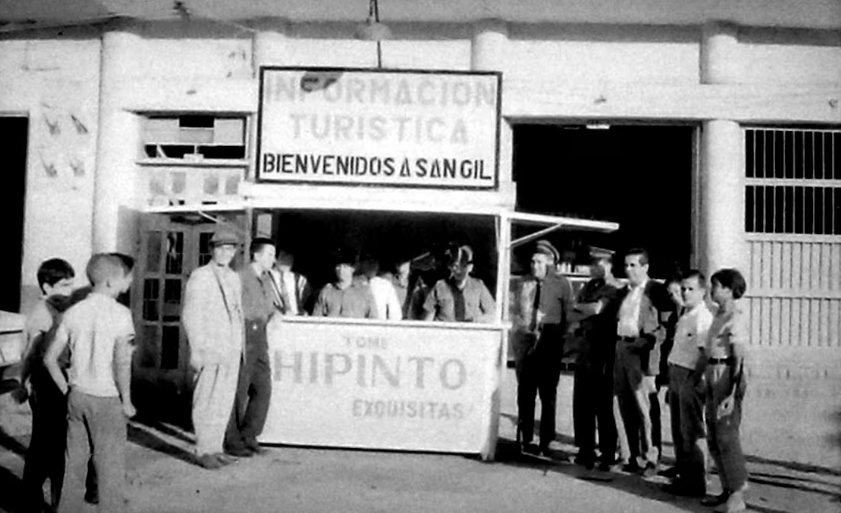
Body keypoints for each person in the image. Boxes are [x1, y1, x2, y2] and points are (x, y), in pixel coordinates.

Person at [44, 254, 136, 513]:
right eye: (122, 280)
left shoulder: (72, 312)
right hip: (107, 400)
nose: (125, 285)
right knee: (110, 472)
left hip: (77, 396)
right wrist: (127, 401)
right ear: (109, 282)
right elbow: (122, 362)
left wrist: (67, 390)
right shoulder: (121, 314)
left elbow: (50, 359)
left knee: (73, 468)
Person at [183, 228, 245, 470]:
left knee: (223, 399)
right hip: (209, 345)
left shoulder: (233, 277)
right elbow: (191, 314)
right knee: (206, 398)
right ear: (212, 250)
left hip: (230, 346)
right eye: (220, 248)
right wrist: (196, 349)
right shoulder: (201, 276)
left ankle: (216, 448)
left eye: (230, 249)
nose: (225, 253)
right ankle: (203, 449)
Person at [20, 258, 75, 512]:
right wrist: (24, 381)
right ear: (46, 287)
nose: (69, 290)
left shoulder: (62, 310)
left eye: (71, 284)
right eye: (64, 285)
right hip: (45, 384)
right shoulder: (42, 312)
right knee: (43, 446)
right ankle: (31, 500)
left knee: (56, 445)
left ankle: (54, 500)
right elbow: (31, 353)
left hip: (59, 380)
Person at [510, 240, 573, 456]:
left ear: (549, 263)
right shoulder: (522, 283)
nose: (534, 265)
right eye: (532, 261)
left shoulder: (561, 284)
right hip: (526, 344)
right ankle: (525, 438)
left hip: (549, 343)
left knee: (548, 394)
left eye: (539, 262)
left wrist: (561, 341)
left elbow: (568, 315)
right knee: (525, 393)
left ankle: (547, 440)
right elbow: (514, 310)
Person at [612, 248, 671, 476]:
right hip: (621, 346)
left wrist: (649, 341)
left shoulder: (656, 291)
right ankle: (629, 456)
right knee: (622, 403)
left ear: (645, 267)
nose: (628, 270)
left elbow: (666, 325)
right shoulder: (625, 292)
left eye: (633, 265)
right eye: (626, 265)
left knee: (645, 406)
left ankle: (651, 457)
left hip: (642, 351)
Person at [697, 269, 749, 513]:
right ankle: (727, 488)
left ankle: (738, 493)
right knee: (714, 436)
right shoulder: (718, 314)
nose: (712, 290)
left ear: (729, 289)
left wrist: (732, 393)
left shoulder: (734, 318)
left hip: (726, 375)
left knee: (727, 436)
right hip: (712, 372)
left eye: (716, 285)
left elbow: (739, 358)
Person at [571, 247, 623, 469]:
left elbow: (596, 309)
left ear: (609, 265)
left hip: (603, 349)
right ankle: (585, 449)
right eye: (592, 264)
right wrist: (580, 310)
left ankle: (608, 450)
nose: (595, 268)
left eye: (599, 264)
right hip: (585, 348)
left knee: (603, 403)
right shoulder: (588, 286)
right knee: (582, 401)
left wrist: (575, 307)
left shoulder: (614, 287)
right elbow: (579, 314)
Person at [662, 270, 713, 497]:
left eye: (691, 289)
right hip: (676, 372)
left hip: (689, 374)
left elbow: (705, 353)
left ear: (703, 292)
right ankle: (684, 474)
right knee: (679, 429)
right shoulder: (686, 314)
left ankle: (696, 481)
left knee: (691, 430)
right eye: (683, 288)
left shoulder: (702, 316)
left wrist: (693, 380)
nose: (685, 292)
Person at [225, 237, 277, 457]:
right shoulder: (240, 277)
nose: (273, 259)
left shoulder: (267, 279)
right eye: (269, 254)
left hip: (261, 333)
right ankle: (232, 440)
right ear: (256, 255)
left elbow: (270, 305)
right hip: (245, 331)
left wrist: (275, 314)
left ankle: (250, 434)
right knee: (240, 388)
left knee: (263, 387)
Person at [422, 244, 495, 323]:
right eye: (455, 265)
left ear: (470, 267)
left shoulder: (478, 286)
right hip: (446, 333)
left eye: (463, 265)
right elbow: (427, 320)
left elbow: (492, 315)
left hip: (471, 332)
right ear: (450, 267)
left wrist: (474, 321)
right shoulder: (440, 286)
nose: (458, 270)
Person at [313, 248, 377, 319]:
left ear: (353, 269)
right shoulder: (326, 291)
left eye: (345, 266)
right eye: (338, 266)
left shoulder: (364, 292)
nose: (341, 270)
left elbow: (373, 317)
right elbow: (316, 318)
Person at [358, 254, 402, 320]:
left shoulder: (385, 285)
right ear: (361, 263)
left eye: (375, 262)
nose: (372, 266)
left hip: (378, 325)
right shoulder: (353, 283)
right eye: (369, 262)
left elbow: (395, 314)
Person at [269, 247, 310, 316]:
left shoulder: (299, 279)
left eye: (290, 257)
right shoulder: (268, 277)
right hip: (276, 317)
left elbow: (307, 299)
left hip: (297, 317)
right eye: (284, 256)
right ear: (275, 259)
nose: (287, 260)